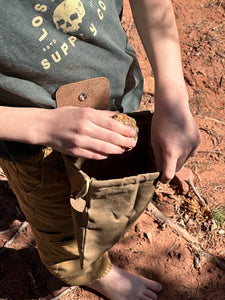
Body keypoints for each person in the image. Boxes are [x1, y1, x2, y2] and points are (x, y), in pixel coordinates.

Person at [0, 0, 201, 299]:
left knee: (107, 193)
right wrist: (40, 126)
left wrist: (173, 97)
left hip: (119, 98)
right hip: (33, 147)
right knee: (62, 233)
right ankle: (90, 272)